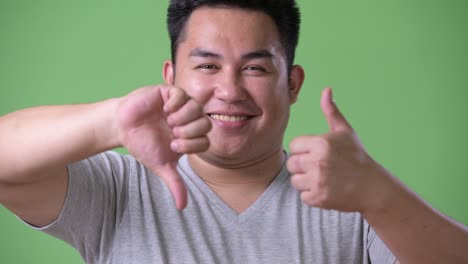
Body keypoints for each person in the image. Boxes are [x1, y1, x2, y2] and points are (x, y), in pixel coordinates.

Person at [0, 0, 467, 263]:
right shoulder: (120, 188)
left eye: (255, 69)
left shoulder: (352, 198)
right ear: (171, 77)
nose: (229, 90)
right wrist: (110, 121)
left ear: (293, 83)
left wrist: (378, 194)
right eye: (206, 65)